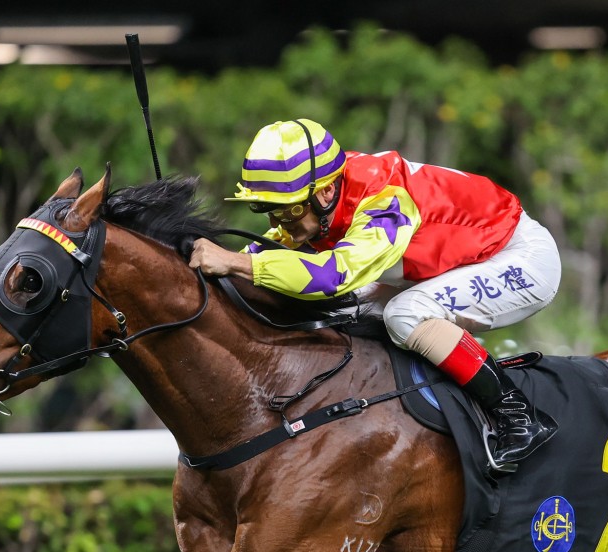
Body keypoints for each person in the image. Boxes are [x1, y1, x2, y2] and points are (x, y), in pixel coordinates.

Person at [189, 118, 561, 465]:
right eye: (266, 210)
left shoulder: (386, 202)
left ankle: (519, 415)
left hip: (518, 256)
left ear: (326, 192)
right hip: (451, 259)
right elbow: (276, 247)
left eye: (286, 212)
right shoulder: (327, 188)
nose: (276, 223)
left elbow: (331, 277)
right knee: (346, 311)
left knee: (404, 313)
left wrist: (236, 264)